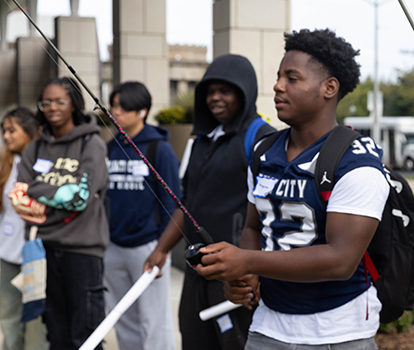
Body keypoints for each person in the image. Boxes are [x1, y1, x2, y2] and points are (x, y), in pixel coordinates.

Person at [194, 28, 389, 349]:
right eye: (278, 76)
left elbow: (341, 261)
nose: (277, 86)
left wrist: (248, 261)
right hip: (269, 324)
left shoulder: (356, 160)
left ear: (329, 88)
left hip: (338, 330)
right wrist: (241, 280)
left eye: (292, 78)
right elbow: (254, 226)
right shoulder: (263, 151)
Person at [143, 54, 275, 350]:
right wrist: (162, 249)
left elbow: (270, 214)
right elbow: (185, 202)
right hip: (198, 268)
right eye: (210, 92)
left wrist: (253, 269)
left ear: (245, 92)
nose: (215, 98)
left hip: (236, 274)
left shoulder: (262, 140)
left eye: (225, 91)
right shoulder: (201, 140)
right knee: (193, 339)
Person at [10, 77, 110, 349]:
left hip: (83, 253)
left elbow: (80, 198)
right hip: (44, 251)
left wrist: (37, 190)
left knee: (86, 335)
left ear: (74, 104)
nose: (52, 107)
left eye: (59, 101)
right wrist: (61, 194)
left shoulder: (92, 145)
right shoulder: (35, 148)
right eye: (46, 102)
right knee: (56, 335)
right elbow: (18, 200)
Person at [104, 81, 180, 350]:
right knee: (122, 317)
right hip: (113, 246)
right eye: (113, 106)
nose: (116, 112)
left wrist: (163, 247)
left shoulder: (159, 149)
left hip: (149, 247)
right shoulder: (111, 146)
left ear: (142, 111)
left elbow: (173, 203)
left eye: (123, 107)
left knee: (154, 321)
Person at [0, 107, 49, 350]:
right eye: (4, 131)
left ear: (30, 131)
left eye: (12, 130)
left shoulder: (46, 164)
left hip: (39, 258)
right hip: (10, 255)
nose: (6, 136)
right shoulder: (5, 165)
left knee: (36, 323)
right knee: (9, 318)